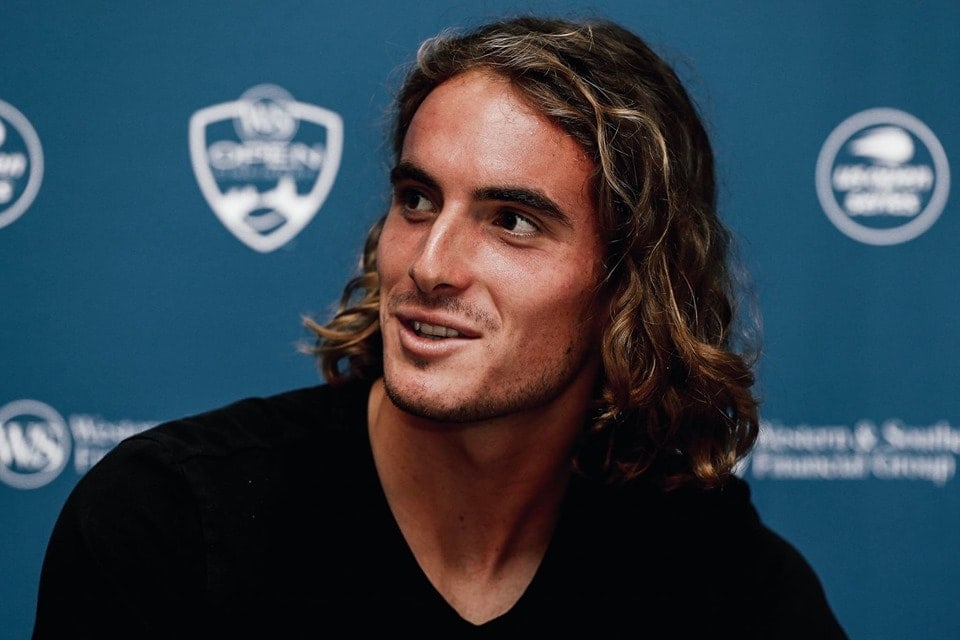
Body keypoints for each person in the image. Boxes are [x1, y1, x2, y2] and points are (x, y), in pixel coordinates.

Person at [33, 15, 847, 638]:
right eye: (417, 200)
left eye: (512, 221)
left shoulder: (715, 574)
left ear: (630, 283)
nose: (429, 264)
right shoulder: (171, 524)